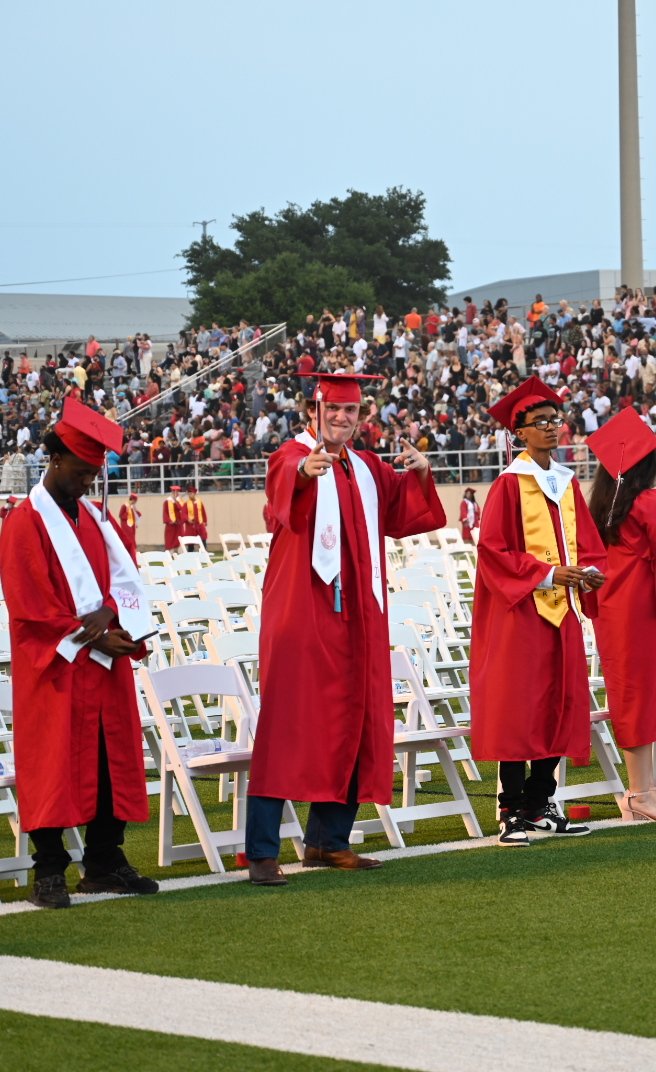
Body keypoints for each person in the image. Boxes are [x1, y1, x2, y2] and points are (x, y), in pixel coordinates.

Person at [246, 373, 447, 885]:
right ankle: (262, 851)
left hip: (360, 619)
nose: (341, 418)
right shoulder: (290, 455)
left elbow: (404, 511)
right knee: (289, 722)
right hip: (304, 613)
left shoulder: (366, 466)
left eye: (350, 411)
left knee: (358, 719)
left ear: (362, 417)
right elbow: (282, 489)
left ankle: (328, 841)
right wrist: (306, 473)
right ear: (314, 411)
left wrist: (421, 473)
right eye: (332, 409)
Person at [0, 398, 158, 908]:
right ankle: (49, 871)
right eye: (83, 470)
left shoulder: (95, 521)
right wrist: (91, 635)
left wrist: (114, 618)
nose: (90, 480)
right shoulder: (25, 523)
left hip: (104, 664)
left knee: (111, 761)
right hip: (57, 665)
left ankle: (105, 863)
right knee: (53, 765)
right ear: (56, 460)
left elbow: (124, 582)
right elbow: (30, 606)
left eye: (96, 471)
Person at [469, 377, 607, 846]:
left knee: (559, 707)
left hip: (562, 614)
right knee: (519, 708)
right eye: (539, 422)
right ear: (519, 432)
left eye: (555, 420)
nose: (551, 428)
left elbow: (587, 545)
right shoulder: (509, 486)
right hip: (520, 614)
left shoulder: (565, 483)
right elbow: (493, 552)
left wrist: (589, 573)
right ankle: (510, 810)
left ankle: (541, 803)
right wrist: (548, 575)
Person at [587, 408, 656, 821]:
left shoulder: (599, 506)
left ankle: (643, 791)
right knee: (642, 698)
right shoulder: (647, 502)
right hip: (642, 611)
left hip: (614, 611)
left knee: (633, 696)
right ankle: (640, 794)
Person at [119, 492, 141, 556]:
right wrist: (128, 515)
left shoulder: (131, 507)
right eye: (135, 501)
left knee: (132, 539)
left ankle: (133, 553)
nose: (135, 502)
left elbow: (137, 515)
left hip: (131, 526)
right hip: (126, 526)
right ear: (133, 500)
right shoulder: (125, 505)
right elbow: (121, 515)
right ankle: (130, 553)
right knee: (128, 539)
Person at [162, 484, 183, 551]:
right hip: (171, 524)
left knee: (179, 538)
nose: (175, 493)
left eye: (176, 492)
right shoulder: (167, 501)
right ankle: (169, 552)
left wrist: (176, 501)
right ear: (172, 492)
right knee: (170, 538)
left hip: (178, 523)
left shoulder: (180, 500)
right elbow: (165, 512)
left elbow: (181, 508)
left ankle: (178, 552)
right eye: (173, 492)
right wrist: (168, 521)